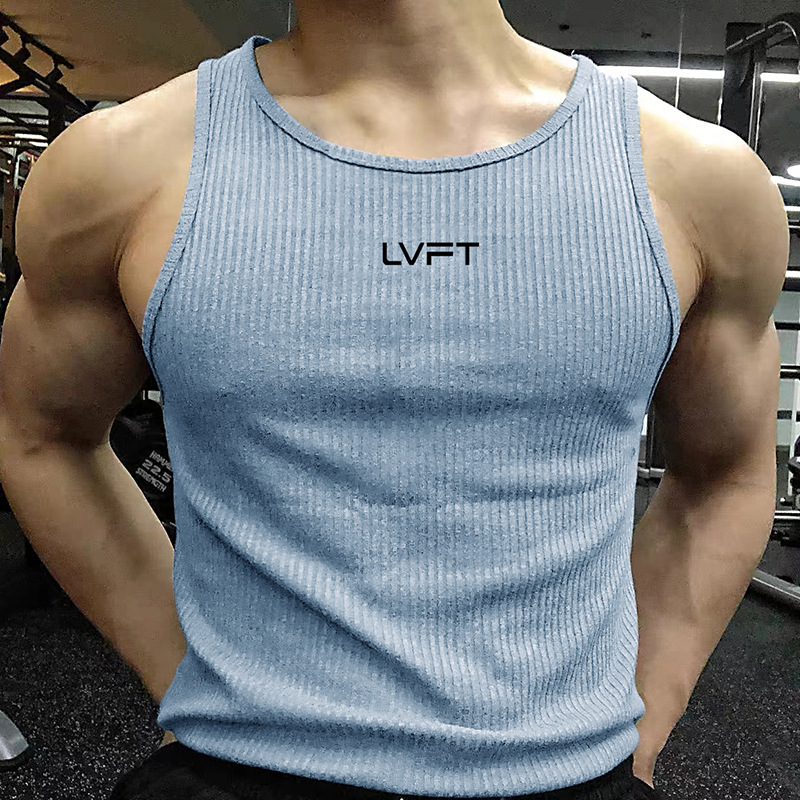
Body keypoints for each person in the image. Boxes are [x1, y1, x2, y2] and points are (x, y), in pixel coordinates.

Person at [0, 1, 789, 799]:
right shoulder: (118, 170)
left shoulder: (695, 179)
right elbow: (42, 437)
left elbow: (726, 476)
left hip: (575, 773)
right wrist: (187, 676)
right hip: (231, 770)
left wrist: (640, 729)